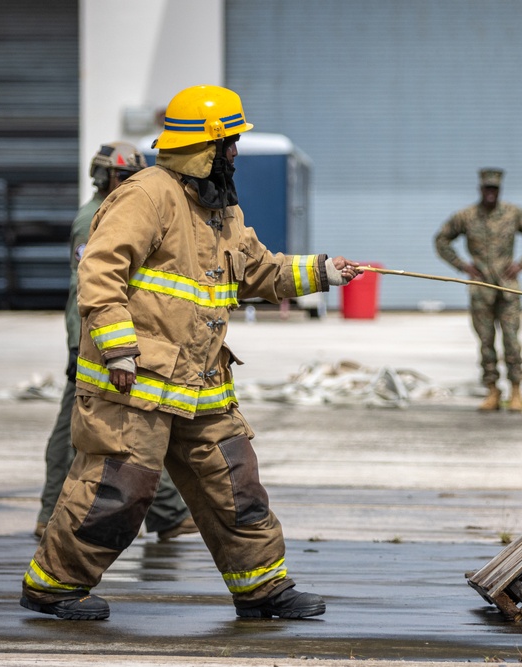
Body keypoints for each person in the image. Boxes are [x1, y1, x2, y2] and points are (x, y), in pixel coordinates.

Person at [20, 84, 360, 621]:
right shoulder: (147, 195)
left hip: (200, 384)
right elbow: (99, 270)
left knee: (235, 484)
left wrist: (322, 272)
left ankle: (262, 588)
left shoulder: (221, 209)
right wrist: (118, 348)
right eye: (230, 143)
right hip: (134, 384)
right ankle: (53, 586)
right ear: (206, 145)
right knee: (117, 491)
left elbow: (257, 270)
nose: (236, 153)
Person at [34, 142, 198, 544]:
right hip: (97, 349)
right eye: (125, 178)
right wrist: (80, 346)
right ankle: (52, 513)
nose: (133, 184)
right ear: (105, 177)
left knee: (137, 428)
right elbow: (86, 288)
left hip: (113, 343)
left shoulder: (124, 210)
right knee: (106, 434)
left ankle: (168, 514)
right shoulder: (94, 218)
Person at [435, 168, 522, 412]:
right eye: (487, 188)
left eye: (494, 189)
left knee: (512, 341)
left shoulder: (513, 214)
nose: (490, 193)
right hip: (481, 290)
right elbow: (441, 240)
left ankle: (516, 391)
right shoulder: (466, 216)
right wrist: (462, 265)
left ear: (499, 190)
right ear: (480, 189)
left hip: (508, 289)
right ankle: (492, 391)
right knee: (486, 342)